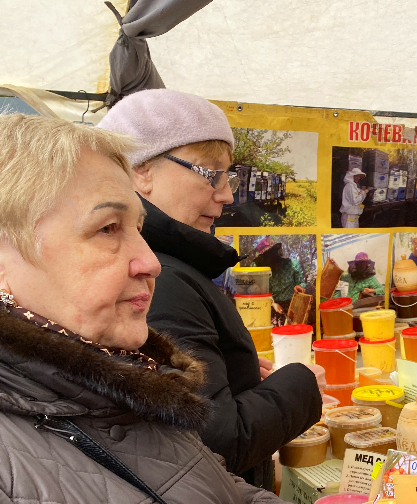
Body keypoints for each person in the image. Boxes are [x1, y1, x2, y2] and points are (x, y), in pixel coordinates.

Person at [0, 113, 283, 502]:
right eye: (108, 228)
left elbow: (214, 488)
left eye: (139, 229)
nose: (151, 262)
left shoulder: (123, 376)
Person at [99, 89, 321, 491]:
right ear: (140, 172)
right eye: (209, 173)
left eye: (229, 176)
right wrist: (301, 383)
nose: (227, 194)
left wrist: (238, 377)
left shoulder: (172, 265)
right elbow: (217, 441)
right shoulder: (160, 277)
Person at [253, 237, 307, 326]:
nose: (270, 258)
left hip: (293, 305)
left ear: (276, 252)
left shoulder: (292, 264)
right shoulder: (263, 271)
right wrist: (273, 303)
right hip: (274, 308)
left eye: (271, 253)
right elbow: (262, 293)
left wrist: (300, 286)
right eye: (266, 256)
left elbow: (301, 282)